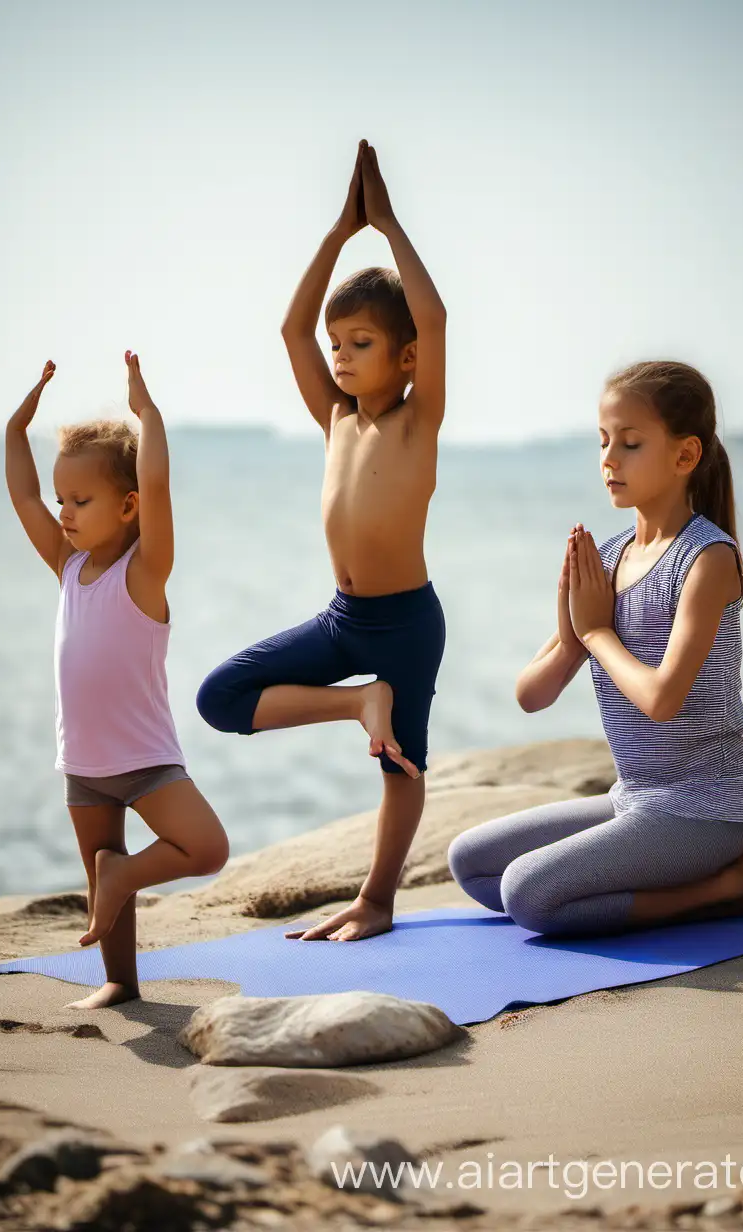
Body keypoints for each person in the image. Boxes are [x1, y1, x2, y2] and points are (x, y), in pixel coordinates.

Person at [448, 360, 743, 936]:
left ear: (685, 456)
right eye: (603, 442)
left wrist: (597, 633)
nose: (609, 459)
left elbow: (664, 699)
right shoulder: (610, 557)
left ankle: (734, 882)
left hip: (708, 807)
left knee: (528, 896)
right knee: (469, 863)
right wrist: (572, 635)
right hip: (636, 798)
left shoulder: (708, 558)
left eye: (631, 443)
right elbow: (530, 696)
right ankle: (724, 879)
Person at [196, 140, 446, 942]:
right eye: (337, 346)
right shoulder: (334, 418)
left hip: (407, 621)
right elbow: (290, 328)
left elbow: (435, 314)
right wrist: (341, 231)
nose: (339, 356)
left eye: (360, 344)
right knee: (219, 698)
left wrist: (389, 225)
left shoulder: (417, 420)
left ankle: (377, 901)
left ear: (405, 357)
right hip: (343, 621)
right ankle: (355, 704)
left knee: (400, 763)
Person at [5, 354, 229, 1006]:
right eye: (63, 501)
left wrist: (148, 413)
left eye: (81, 500)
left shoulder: (145, 572)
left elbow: (158, 487)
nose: (65, 513)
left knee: (205, 847)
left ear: (127, 506)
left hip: (143, 757)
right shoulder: (68, 566)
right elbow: (23, 495)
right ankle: (119, 981)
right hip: (83, 760)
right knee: (102, 878)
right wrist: (19, 428)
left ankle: (124, 872)